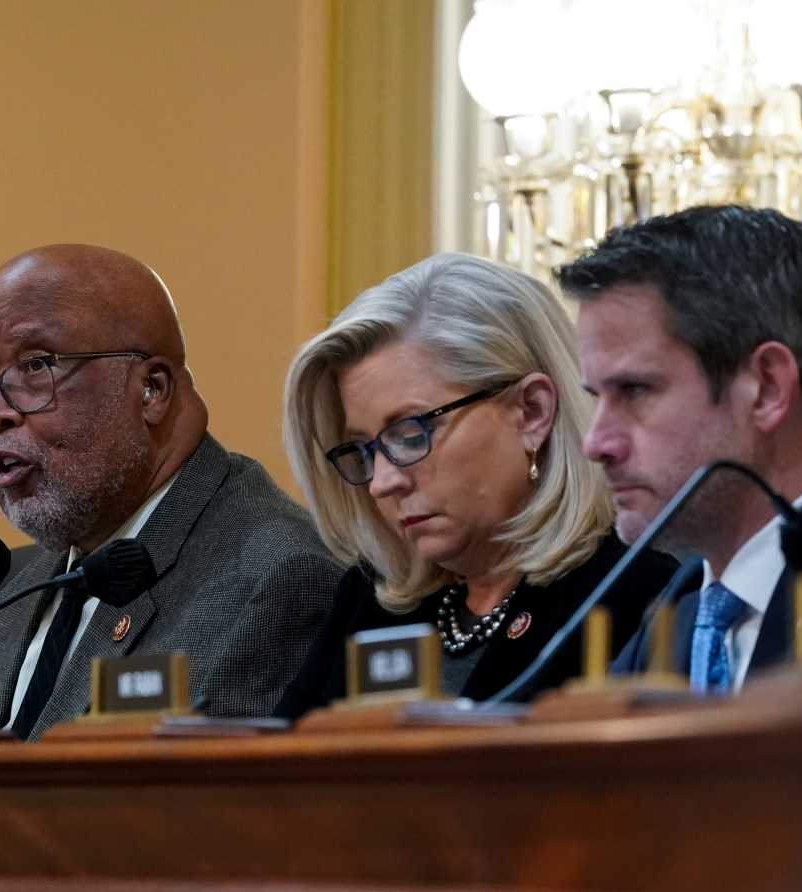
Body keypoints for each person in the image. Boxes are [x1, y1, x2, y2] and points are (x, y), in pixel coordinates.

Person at [0, 244, 342, 739]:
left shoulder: (274, 577)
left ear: (152, 390)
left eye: (36, 365)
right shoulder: (25, 590)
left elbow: (189, 811)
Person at [276, 253, 677, 717]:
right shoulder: (369, 599)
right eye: (364, 450)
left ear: (532, 412)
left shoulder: (637, 594)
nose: (382, 483)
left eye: (410, 434)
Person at [558, 205, 802, 692]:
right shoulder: (676, 614)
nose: (596, 444)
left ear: (766, 388)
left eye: (634, 391)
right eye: (596, 397)